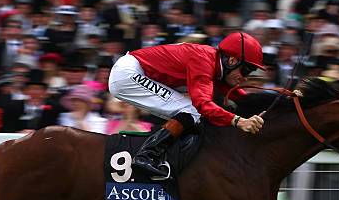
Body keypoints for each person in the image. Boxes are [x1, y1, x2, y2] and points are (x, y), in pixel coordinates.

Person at [108, 31, 266, 178]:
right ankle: (146, 156)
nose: (245, 78)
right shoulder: (204, 61)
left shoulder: (216, 65)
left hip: (131, 71)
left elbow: (242, 97)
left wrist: (285, 98)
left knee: (193, 114)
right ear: (232, 61)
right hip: (128, 73)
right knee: (193, 110)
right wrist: (239, 121)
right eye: (246, 71)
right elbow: (202, 104)